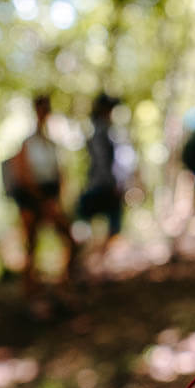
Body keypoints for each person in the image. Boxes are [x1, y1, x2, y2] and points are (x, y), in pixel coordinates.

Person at [6, 94, 76, 297]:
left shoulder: (50, 144)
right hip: (31, 200)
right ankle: (31, 291)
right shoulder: (28, 144)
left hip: (49, 199)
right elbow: (22, 175)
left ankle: (63, 284)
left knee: (67, 239)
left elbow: (60, 174)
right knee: (31, 246)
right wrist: (41, 200)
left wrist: (56, 200)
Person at [76, 93, 131, 266]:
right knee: (107, 225)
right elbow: (104, 162)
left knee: (102, 225)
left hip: (99, 186)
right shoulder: (103, 132)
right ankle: (93, 261)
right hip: (103, 187)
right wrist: (116, 184)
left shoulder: (99, 131)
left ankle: (95, 261)